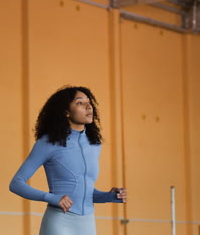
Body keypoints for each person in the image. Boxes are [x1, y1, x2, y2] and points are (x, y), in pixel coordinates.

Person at [9, 86, 127, 235]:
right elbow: (16, 183)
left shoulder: (94, 144)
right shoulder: (48, 143)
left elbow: (85, 191)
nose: (88, 106)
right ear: (66, 112)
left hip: (88, 224)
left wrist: (108, 196)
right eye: (79, 103)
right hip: (60, 222)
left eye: (89, 102)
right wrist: (52, 198)